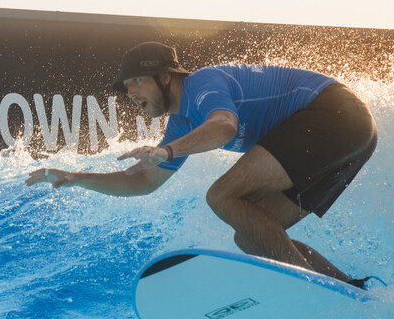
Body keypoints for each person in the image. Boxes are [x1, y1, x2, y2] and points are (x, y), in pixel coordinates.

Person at [26, 41, 378, 286]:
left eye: (136, 81)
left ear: (166, 77)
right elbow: (143, 182)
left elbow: (224, 126)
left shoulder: (202, 84)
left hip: (334, 113)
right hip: (353, 136)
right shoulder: (181, 123)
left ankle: (306, 286)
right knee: (250, 236)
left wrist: (167, 152)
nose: (130, 93)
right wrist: (76, 177)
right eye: (126, 86)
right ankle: (348, 289)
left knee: (221, 196)